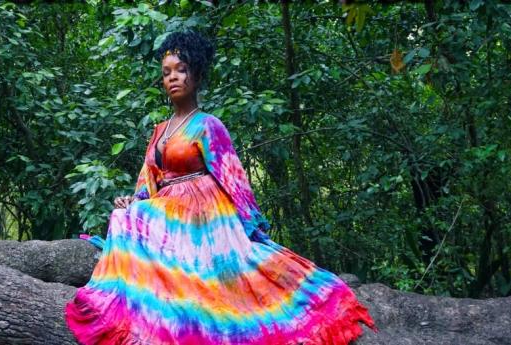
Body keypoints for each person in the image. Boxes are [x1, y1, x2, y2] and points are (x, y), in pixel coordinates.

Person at [65, 30, 377, 345]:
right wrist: (132, 201)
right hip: (167, 206)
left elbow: (234, 179)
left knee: (227, 271)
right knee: (123, 217)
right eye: (166, 72)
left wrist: (250, 229)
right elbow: (150, 178)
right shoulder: (160, 129)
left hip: (202, 213)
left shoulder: (208, 125)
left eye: (181, 70)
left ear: (196, 75)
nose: (173, 78)